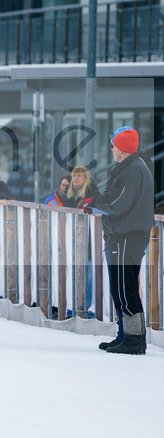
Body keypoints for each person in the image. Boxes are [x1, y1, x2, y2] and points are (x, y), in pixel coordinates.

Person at [84, 126, 154, 354]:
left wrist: (94, 204)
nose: (112, 148)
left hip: (127, 235)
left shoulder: (133, 169)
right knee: (122, 287)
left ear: (121, 150)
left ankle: (133, 341)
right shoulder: (132, 165)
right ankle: (126, 335)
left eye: (113, 145)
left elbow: (119, 203)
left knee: (125, 289)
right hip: (126, 233)